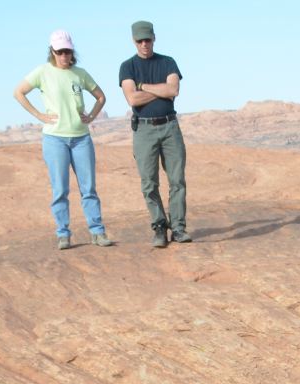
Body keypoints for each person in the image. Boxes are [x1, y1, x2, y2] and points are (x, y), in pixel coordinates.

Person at [14, 30, 112, 250]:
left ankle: (97, 232)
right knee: (60, 189)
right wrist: (39, 115)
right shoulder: (42, 72)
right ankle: (63, 234)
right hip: (55, 139)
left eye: (67, 51)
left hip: (81, 138)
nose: (64, 55)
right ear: (52, 51)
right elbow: (18, 92)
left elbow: (101, 96)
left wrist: (91, 116)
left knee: (89, 188)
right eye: (60, 52)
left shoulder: (80, 74)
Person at [119, 20, 189, 247]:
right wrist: (160, 90)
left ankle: (178, 228)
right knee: (149, 183)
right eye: (140, 41)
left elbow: (173, 89)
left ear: (154, 38)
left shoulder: (168, 62)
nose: (144, 44)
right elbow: (132, 99)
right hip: (144, 129)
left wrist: (144, 86)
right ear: (134, 41)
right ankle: (159, 227)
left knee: (177, 180)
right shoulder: (127, 67)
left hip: (170, 127)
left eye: (147, 40)